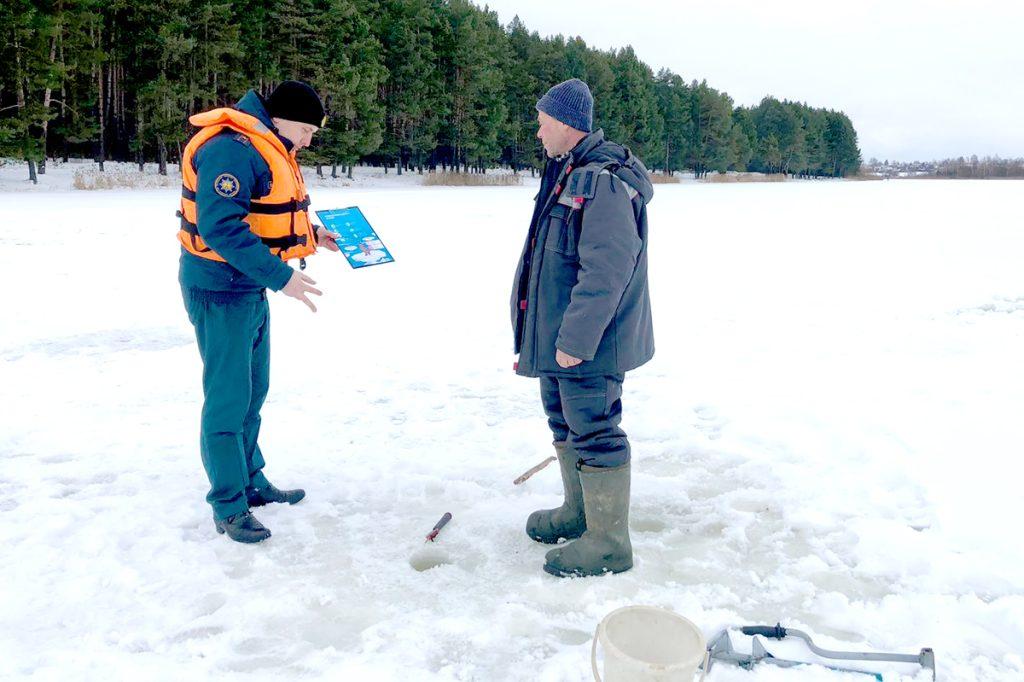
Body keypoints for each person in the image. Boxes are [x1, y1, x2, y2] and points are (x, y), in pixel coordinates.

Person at [177, 80, 339, 543]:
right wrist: (282, 276)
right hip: (219, 288)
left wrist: (310, 237)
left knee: (253, 390)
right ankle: (229, 504)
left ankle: (252, 480)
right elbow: (221, 227)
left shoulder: (265, 144)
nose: (307, 141)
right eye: (306, 130)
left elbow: (262, 214)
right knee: (228, 399)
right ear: (281, 117)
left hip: (247, 285)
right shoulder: (231, 149)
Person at [510, 78, 655, 577]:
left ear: (566, 124)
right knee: (564, 421)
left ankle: (610, 543)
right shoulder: (566, 172)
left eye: (543, 120)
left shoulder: (603, 181)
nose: (538, 130)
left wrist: (575, 341)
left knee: (595, 429)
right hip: (559, 337)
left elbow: (608, 269)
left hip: (587, 343)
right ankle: (580, 514)